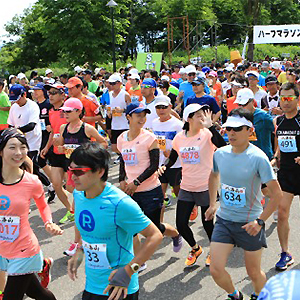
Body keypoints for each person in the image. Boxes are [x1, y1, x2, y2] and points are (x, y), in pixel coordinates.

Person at [67, 142, 163, 300]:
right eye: (70, 170)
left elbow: (155, 236)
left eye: (79, 171)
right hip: (92, 285)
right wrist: (79, 251)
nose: (72, 176)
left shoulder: (120, 204)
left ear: (99, 172)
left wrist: (129, 271)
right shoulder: (79, 195)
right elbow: (88, 231)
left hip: (118, 288)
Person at [205, 108, 282, 300]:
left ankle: (260, 295)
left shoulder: (258, 158)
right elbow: (214, 175)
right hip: (224, 220)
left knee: (254, 273)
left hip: (250, 224)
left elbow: (277, 194)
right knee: (215, 269)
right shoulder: (220, 154)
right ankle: (235, 295)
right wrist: (212, 204)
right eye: (228, 128)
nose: (231, 133)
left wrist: (261, 221)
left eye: (237, 129)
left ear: (250, 130)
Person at [158, 103, 226, 267]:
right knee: (181, 224)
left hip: (206, 185)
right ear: (189, 119)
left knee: (207, 223)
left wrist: (212, 128)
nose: (203, 117)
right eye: (199, 115)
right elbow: (173, 157)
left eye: (203, 114)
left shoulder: (207, 134)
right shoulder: (179, 137)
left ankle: (214, 250)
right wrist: (164, 166)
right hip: (187, 185)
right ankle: (195, 248)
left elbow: (224, 147)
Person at [0, 128, 63, 300]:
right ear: (1, 151)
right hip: (2, 249)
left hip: (24, 249)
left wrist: (48, 222)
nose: (19, 153)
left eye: (22, 147)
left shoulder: (32, 181)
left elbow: (43, 205)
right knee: (37, 292)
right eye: (12, 147)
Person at [117, 102, 182, 258]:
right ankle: (139, 261)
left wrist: (136, 182)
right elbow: (122, 160)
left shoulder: (149, 138)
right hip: (130, 191)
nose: (142, 118)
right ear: (128, 117)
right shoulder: (121, 138)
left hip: (150, 190)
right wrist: (121, 180)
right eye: (138, 115)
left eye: (144, 115)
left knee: (153, 229)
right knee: (131, 228)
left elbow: (153, 166)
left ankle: (175, 234)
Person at [56, 98, 107, 255]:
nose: (65, 113)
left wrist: (88, 153)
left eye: (68, 111)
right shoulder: (64, 128)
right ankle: (81, 241)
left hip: (86, 173)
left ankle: (78, 242)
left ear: (78, 111)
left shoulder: (87, 129)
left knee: (82, 207)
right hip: (72, 172)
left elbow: (104, 143)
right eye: (63, 111)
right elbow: (60, 149)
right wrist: (61, 147)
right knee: (79, 203)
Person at [272, 82, 300, 271]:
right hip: (287, 173)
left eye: (290, 98)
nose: (286, 102)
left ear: (297, 99)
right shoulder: (279, 121)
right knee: (281, 213)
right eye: (283, 98)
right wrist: (274, 159)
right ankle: (285, 253)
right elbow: (280, 145)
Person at [42, 82, 74, 224]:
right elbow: (53, 132)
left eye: (54, 93)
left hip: (68, 152)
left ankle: (87, 206)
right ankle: (71, 210)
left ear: (62, 94)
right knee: (56, 184)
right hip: (55, 152)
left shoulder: (68, 110)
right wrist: (46, 148)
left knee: (72, 187)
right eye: (49, 93)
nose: (50, 95)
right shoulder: (50, 111)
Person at [152, 96, 183, 209]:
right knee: (160, 194)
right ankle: (159, 220)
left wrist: (174, 153)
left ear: (170, 107)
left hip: (175, 164)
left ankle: (190, 206)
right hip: (160, 164)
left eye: (164, 107)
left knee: (177, 190)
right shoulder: (154, 123)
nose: (161, 110)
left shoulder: (178, 124)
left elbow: (184, 143)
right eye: (158, 107)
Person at [31, 82, 56, 203]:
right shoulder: (34, 105)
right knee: (39, 161)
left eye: (38, 90)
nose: (35, 92)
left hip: (49, 136)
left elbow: (54, 118)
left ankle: (55, 182)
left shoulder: (48, 104)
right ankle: (54, 183)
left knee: (43, 160)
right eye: (34, 90)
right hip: (38, 136)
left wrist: (51, 125)